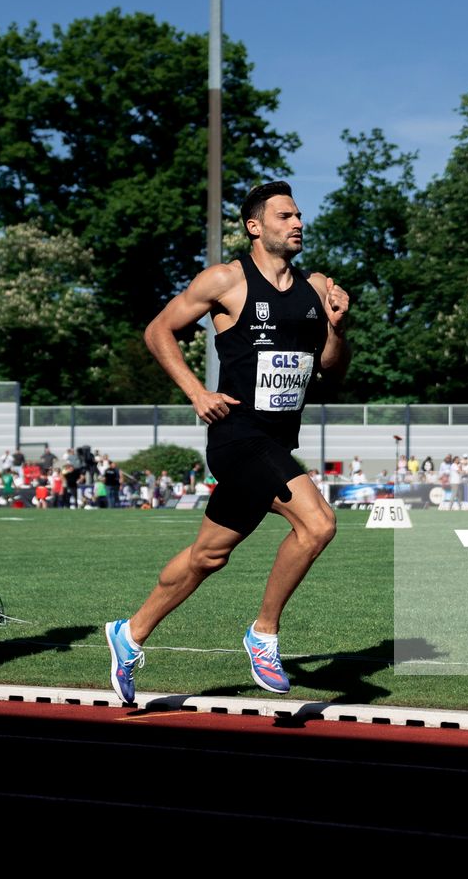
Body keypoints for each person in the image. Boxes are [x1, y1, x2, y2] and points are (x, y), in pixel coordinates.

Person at [103, 182, 349, 702]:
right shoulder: (226, 280)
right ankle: (263, 633)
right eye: (285, 215)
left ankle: (130, 633)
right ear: (255, 227)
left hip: (277, 440)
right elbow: (157, 331)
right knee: (318, 523)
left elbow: (331, 368)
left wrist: (337, 326)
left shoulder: (317, 286)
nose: (298, 222)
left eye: (300, 214)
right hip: (237, 435)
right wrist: (196, 391)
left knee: (208, 556)